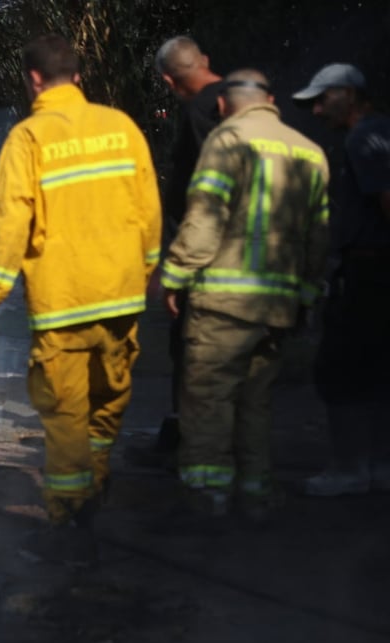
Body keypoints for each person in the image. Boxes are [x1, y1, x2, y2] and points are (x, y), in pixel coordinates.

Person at [0, 33, 162, 563]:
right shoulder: (121, 128)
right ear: (77, 75)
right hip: (122, 298)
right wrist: (147, 270)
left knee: (64, 414)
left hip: (64, 305)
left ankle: (69, 517)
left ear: (34, 79)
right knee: (107, 403)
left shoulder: (28, 139)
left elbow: (11, 224)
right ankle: (94, 486)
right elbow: (148, 209)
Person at [160, 69, 330, 520]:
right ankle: (256, 495)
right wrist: (306, 296)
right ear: (271, 100)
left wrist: (174, 277)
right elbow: (319, 237)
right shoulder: (309, 152)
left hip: (224, 305)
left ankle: (205, 499)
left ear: (222, 105)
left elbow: (203, 223)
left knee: (209, 401)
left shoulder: (226, 141)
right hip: (278, 307)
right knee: (256, 402)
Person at [292, 63, 390, 495]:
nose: (316, 110)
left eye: (322, 99)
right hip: (372, 271)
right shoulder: (379, 132)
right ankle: (378, 465)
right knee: (376, 368)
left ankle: (351, 468)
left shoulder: (364, 138)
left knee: (338, 368)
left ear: (349, 94)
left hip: (369, 272)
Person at [151, 36, 226, 454]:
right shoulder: (243, 100)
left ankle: (192, 448)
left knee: (191, 353)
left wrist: (176, 269)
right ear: (206, 60)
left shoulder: (201, 112)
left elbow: (203, 199)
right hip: (243, 257)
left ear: (167, 79)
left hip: (205, 260)